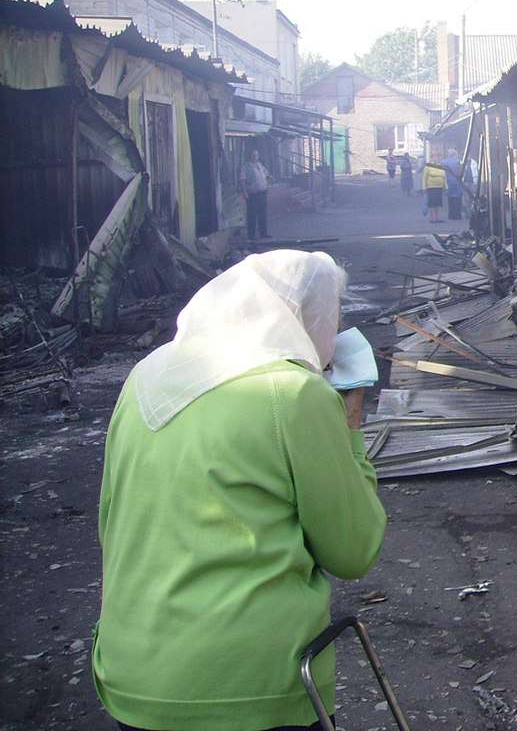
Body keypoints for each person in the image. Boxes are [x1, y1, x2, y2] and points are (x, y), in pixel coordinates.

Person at [93, 250, 387, 731]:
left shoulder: (143, 376)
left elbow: (111, 523)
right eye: (333, 317)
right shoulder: (293, 393)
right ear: (306, 317)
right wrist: (349, 427)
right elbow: (355, 550)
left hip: (131, 679)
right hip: (249, 689)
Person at [241, 148, 271, 240]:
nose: (255, 157)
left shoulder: (260, 165)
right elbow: (242, 181)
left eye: (256, 155)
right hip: (253, 194)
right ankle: (251, 235)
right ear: (250, 156)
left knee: (263, 214)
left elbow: (267, 175)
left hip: (262, 193)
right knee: (252, 215)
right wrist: (245, 192)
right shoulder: (246, 167)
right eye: (253, 155)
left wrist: (268, 182)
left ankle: (263, 233)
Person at [442, 148, 464, 221]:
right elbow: (460, 173)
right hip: (457, 182)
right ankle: (457, 215)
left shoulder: (443, 162)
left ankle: (451, 215)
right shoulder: (457, 162)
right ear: (454, 154)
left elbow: (442, 173)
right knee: (458, 199)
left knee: (450, 199)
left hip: (448, 182)